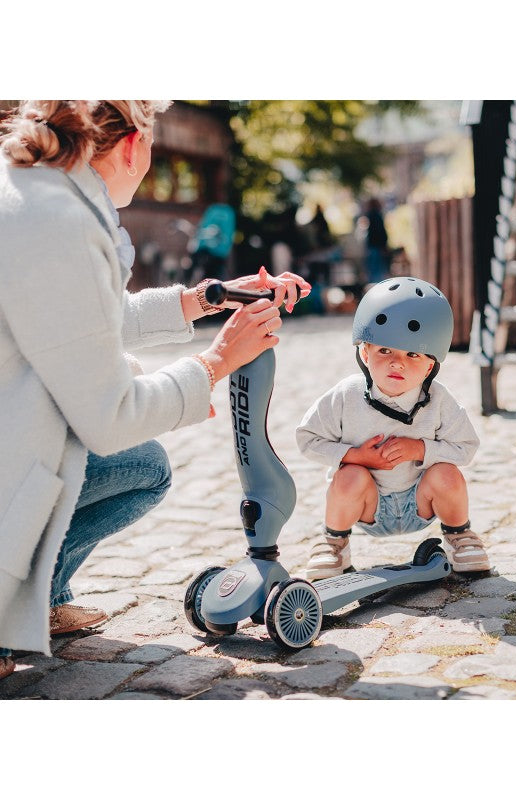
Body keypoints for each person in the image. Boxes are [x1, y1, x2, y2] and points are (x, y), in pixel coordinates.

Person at [0, 100, 311, 681]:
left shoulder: (32, 193)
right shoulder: (62, 223)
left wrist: (207, 298)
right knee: (143, 463)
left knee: (137, 464)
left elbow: (86, 320)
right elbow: (112, 416)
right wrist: (217, 362)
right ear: (134, 146)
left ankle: (40, 595)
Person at [296, 277, 489, 582]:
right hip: (368, 504)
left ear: (429, 366)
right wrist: (356, 455)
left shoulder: (438, 399)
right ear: (365, 353)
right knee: (348, 476)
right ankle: (335, 543)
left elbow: (466, 446)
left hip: (419, 502)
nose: (397, 363)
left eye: (412, 354)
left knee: (448, 475)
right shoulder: (345, 396)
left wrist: (421, 449)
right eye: (385, 350)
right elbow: (307, 438)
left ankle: (460, 536)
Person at [364, 197, 389, 283]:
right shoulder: (376, 215)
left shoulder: (371, 215)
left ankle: (375, 283)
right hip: (376, 246)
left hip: (373, 246)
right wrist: (383, 245)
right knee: (377, 269)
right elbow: (380, 232)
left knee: (374, 269)